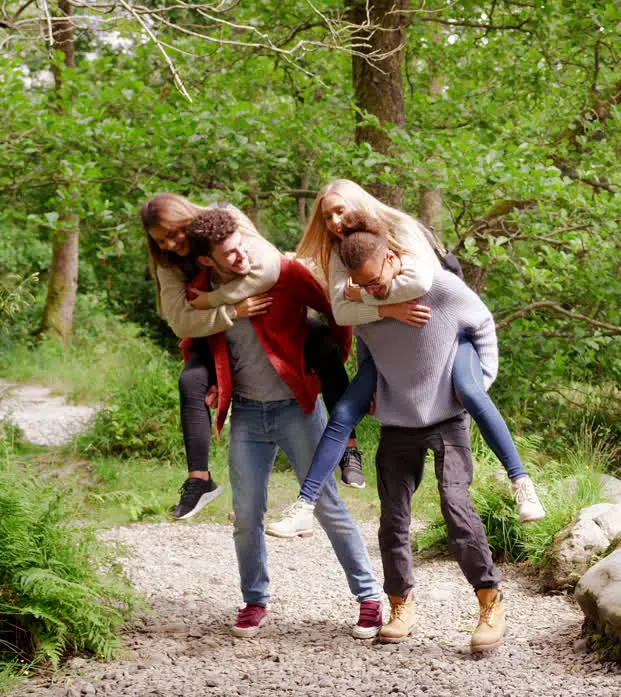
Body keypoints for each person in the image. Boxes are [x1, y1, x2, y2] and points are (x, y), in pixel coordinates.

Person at [265, 178, 543, 542]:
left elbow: (421, 284)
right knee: (344, 413)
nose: (333, 220)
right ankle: (305, 506)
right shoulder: (341, 252)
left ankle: (521, 481)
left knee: (472, 394)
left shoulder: (400, 229)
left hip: (447, 334)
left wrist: (361, 295)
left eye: (339, 210)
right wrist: (389, 308)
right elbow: (342, 312)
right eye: (327, 215)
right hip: (393, 347)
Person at [181, 208, 383, 639]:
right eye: (228, 256)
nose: (240, 259)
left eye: (240, 248)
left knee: (326, 505)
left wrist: (326, 359)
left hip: (300, 407)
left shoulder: (283, 272)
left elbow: (334, 311)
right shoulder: (203, 291)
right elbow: (190, 335)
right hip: (248, 415)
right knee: (247, 513)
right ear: (206, 261)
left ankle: (369, 598)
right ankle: (255, 601)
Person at [333, 210, 508, 650]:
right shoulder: (364, 307)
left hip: (447, 419)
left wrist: (476, 385)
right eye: (364, 286)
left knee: (455, 505)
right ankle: (400, 605)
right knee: (393, 519)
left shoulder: (441, 287)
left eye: (378, 281)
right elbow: (369, 354)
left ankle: (490, 602)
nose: (374, 291)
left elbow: (483, 323)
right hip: (397, 424)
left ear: (393, 257)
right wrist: (374, 392)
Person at [140, 194, 366, 522]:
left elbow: (268, 266)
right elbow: (179, 321)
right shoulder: (168, 261)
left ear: (188, 218)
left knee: (322, 345)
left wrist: (213, 300)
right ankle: (199, 479)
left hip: (269, 317)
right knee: (191, 381)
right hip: (220, 331)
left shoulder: (224, 219)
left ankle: (349, 447)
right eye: (162, 240)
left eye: (175, 233)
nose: (173, 244)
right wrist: (231, 311)